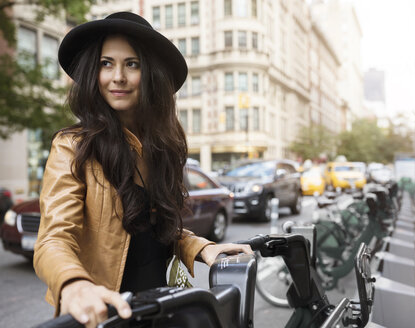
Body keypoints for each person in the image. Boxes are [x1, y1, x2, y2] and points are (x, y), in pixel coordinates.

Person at [33, 12, 252, 328]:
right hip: (108, 314)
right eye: (105, 63)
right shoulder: (72, 146)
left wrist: (202, 247)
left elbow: (156, 229)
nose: (117, 76)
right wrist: (74, 284)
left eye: (131, 64)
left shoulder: (162, 146)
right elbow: (52, 239)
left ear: (150, 74)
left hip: (161, 309)